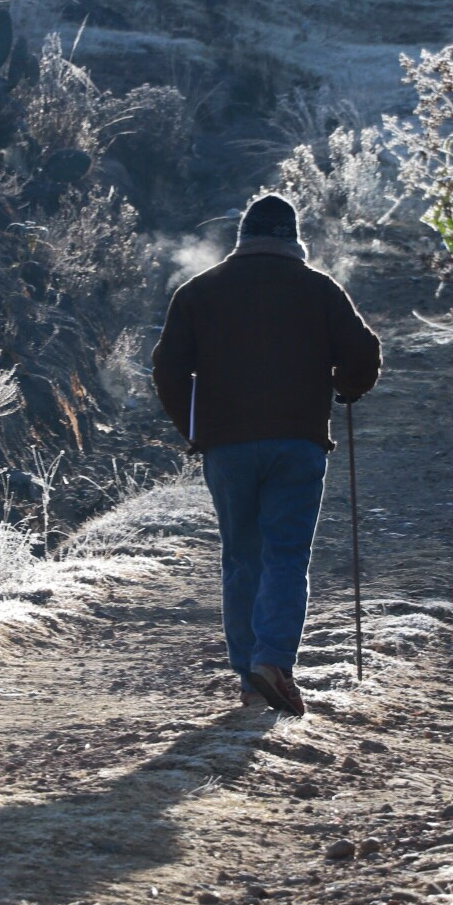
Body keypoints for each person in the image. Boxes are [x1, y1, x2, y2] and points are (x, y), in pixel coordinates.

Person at [150, 193, 382, 717]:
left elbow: (167, 371)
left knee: (241, 557)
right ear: (293, 241)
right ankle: (273, 660)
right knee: (286, 555)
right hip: (298, 441)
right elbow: (363, 353)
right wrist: (347, 386)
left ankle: (251, 680)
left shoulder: (198, 292)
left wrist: (195, 427)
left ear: (243, 240)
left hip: (227, 447)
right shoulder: (319, 289)